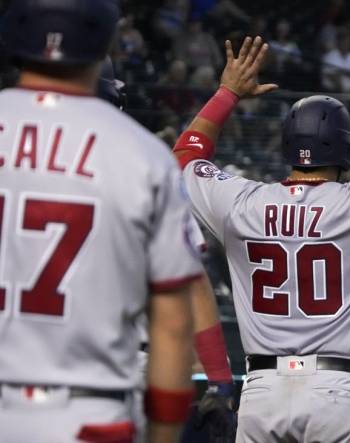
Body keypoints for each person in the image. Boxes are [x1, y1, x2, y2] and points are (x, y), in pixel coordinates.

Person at [172, 34, 350, 442]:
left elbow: (184, 159)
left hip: (262, 389)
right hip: (336, 388)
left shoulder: (242, 202)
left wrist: (227, 92)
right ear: (345, 147)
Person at [0, 1, 203, 442]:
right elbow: (173, 322)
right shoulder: (142, 155)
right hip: (87, 411)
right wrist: (164, 434)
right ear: (102, 39)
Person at [97, 56, 237, 442]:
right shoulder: (146, 169)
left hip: (29, 360)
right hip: (133, 364)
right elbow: (191, 285)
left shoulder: (15, 159)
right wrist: (220, 382)